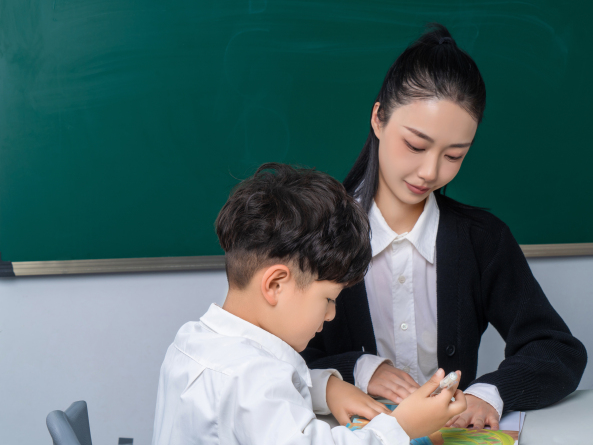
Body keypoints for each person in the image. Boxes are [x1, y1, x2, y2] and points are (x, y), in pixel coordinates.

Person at [302, 24, 588, 430]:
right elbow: (268, 361)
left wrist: (487, 393)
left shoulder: (482, 240)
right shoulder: (313, 232)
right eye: (416, 146)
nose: (430, 171)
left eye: (454, 155)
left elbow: (559, 351)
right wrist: (356, 370)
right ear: (378, 118)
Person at [151, 163, 467, 445]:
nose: (331, 314)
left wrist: (326, 387)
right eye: (328, 299)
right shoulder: (253, 380)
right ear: (275, 285)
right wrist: (402, 426)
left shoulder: (192, 341)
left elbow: (251, 401)